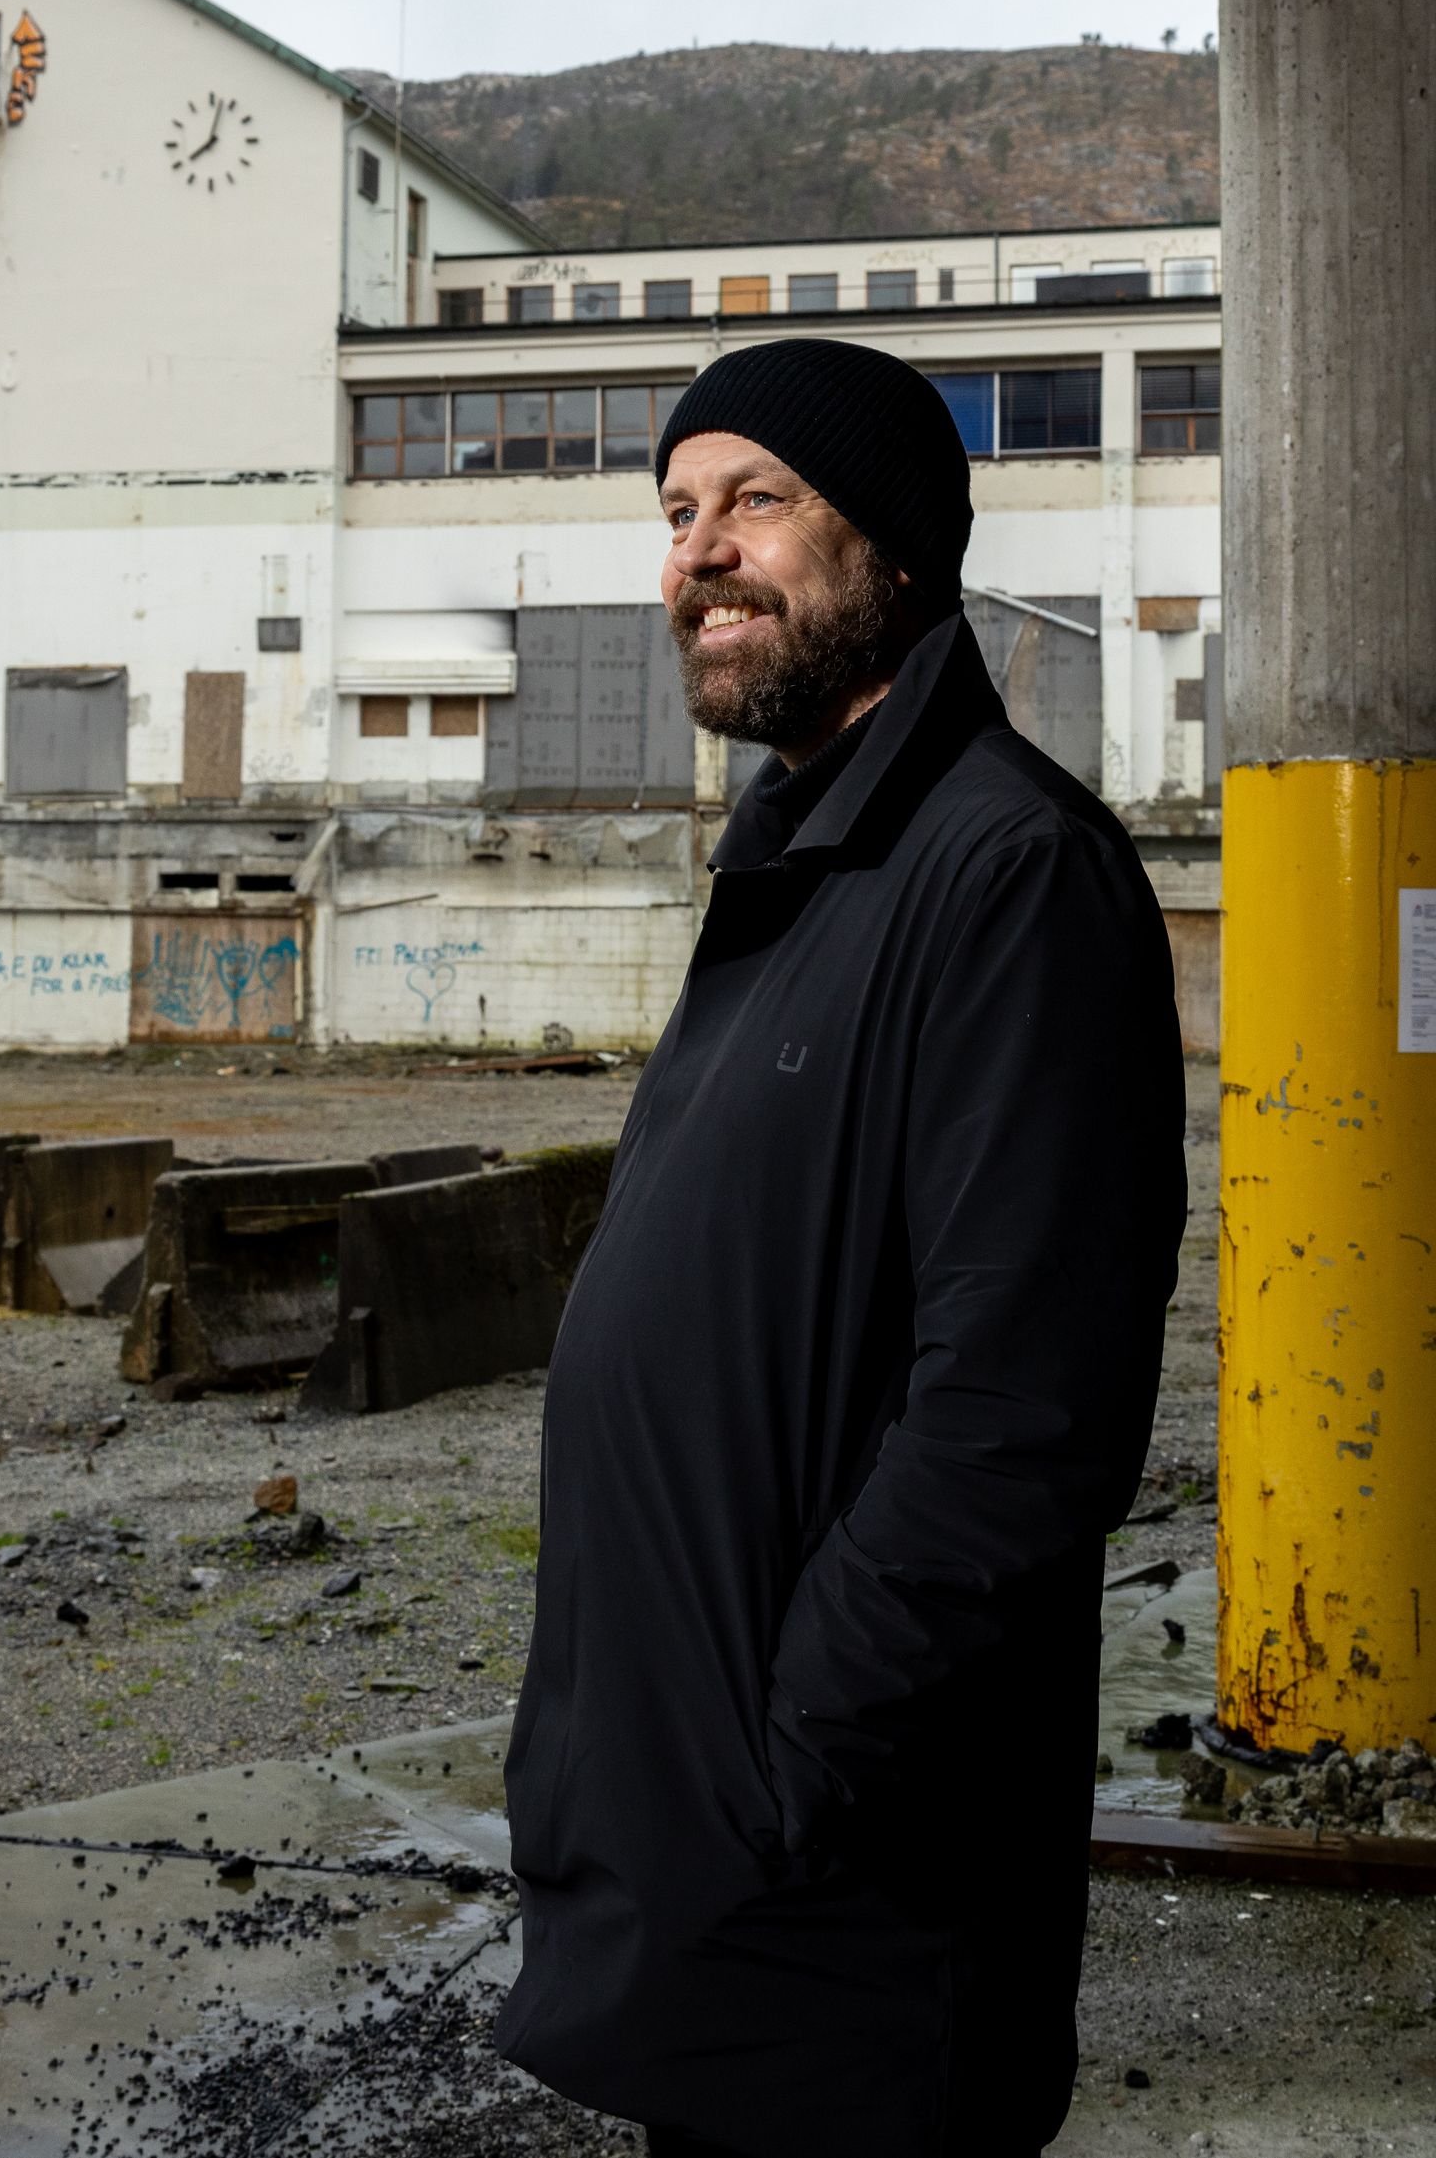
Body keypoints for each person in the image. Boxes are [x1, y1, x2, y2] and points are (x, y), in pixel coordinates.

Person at [494, 337, 1186, 2157]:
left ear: (896, 546)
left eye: (758, 500)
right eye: (675, 511)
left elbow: (1021, 1419)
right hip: (722, 1866)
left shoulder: (1008, 874)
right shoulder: (807, 867)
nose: (697, 552)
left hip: (855, 1895)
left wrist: (791, 1762)